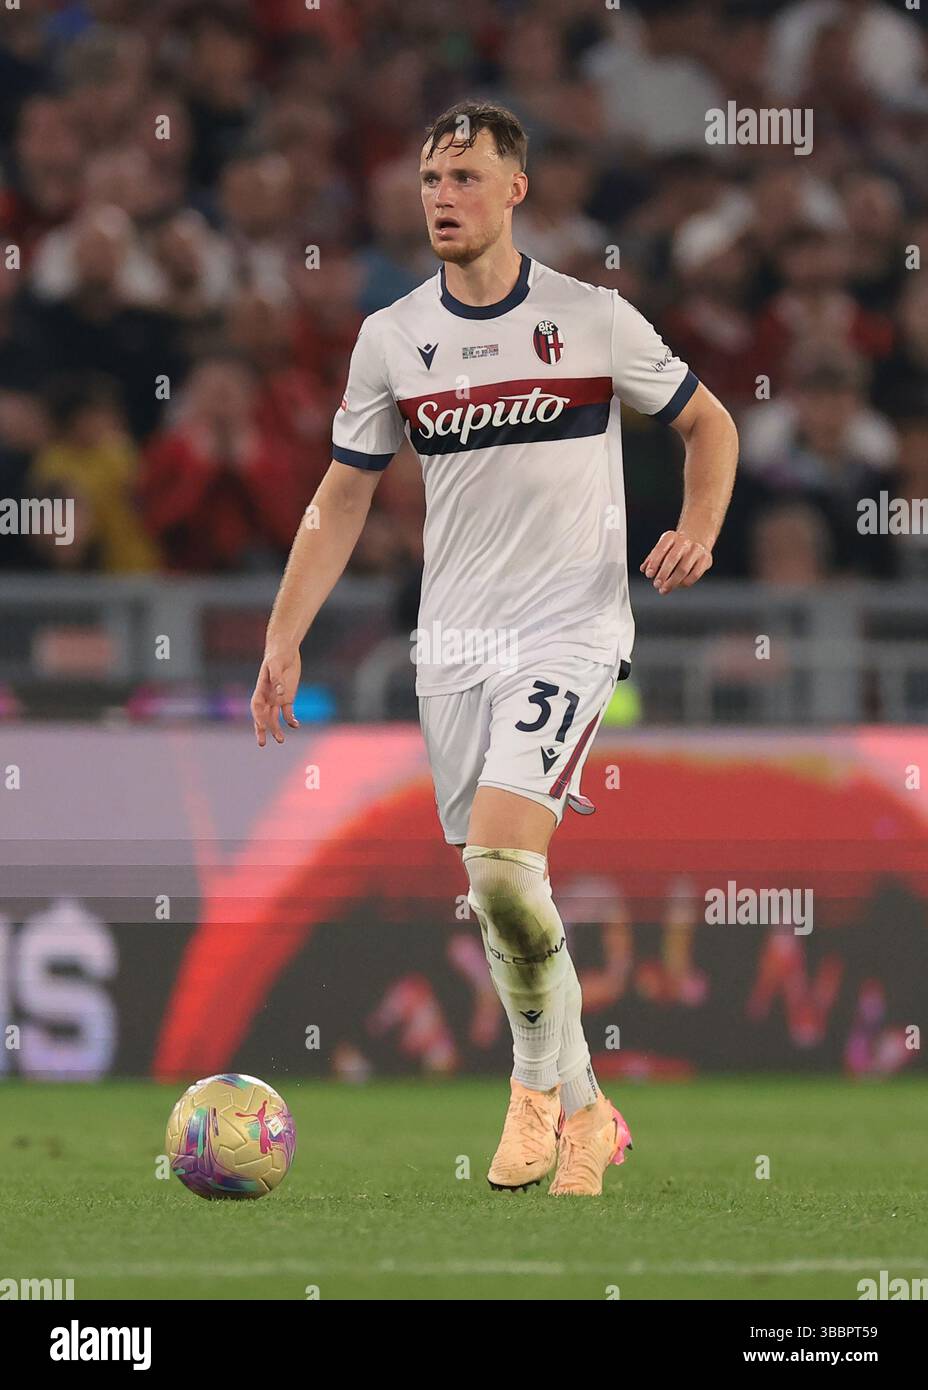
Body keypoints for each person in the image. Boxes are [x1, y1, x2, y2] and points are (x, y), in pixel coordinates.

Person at [250, 101, 738, 1197]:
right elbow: (339, 500)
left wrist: (697, 527)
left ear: (515, 189)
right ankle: (588, 1111)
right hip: (454, 641)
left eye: (465, 175)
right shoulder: (392, 338)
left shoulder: (592, 317)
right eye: (429, 176)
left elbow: (711, 424)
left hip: (570, 628)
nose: (441, 195)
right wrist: (286, 635)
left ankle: (524, 1097)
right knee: (497, 887)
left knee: (507, 870)